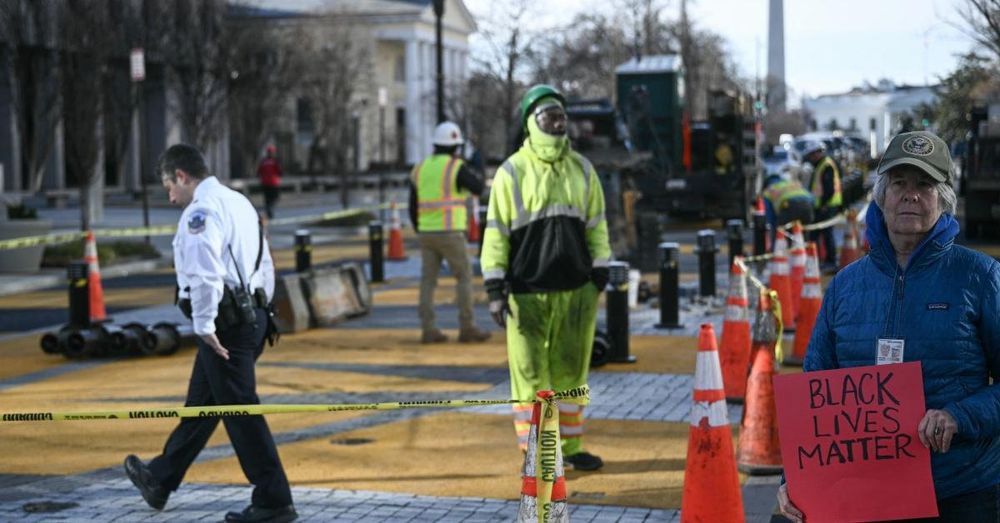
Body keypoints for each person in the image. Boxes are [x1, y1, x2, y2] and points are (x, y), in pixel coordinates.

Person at [777, 130, 1000, 523]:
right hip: (864, 491)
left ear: (944, 200)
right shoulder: (845, 286)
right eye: (899, 183)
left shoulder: (980, 277)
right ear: (881, 195)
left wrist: (959, 416)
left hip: (959, 491)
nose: (910, 194)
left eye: (924, 184)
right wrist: (793, 478)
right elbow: (812, 396)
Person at [124, 144, 297, 523]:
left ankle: (273, 500)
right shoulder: (239, 202)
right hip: (251, 317)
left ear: (183, 176)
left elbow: (205, 275)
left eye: (170, 185)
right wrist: (260, 312)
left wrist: (204, 327)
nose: (170, 195)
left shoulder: (200, 212)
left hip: (226, 326)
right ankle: (160, 478)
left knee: (240, 410)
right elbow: (264, 261)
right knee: (204, 404)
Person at [481, 84, 611, 471]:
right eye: (547, 117)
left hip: (576, 291)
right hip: (526, 294)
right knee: (530, 377)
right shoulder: (511, 172)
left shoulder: (582, 169)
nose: (556, 123)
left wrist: (601, 267)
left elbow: (597, 226)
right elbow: (496, 234)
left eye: (560, 116)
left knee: (572, 372)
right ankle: (537, 454)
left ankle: (571, 449)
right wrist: (494, 288)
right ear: (529, 124)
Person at [407, 121, 491, 344]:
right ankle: (467, 327)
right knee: (463, 278)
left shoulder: (420, 168)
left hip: (426, 233)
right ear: (456, 146)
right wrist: (478, 165)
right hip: (451, 232)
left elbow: (412, 205)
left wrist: (420, 228)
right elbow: (478, 187)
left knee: (428, 281)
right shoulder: (455, 167)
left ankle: (428, 329)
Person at [802, 140, 842, 269]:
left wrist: (824, 204)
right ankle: (818, 260)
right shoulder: (821, 165)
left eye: (811, 155)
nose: (810, 158)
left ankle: (830, 261)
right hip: (822, 205)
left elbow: (829, 188)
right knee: (819, 234)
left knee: (826, 234)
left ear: (817, 153)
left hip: (827, 206)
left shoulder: (826, 165)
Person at [761, 172, 814, 245]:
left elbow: (771, 217)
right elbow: (811, 198)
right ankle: (806, 253)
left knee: (782, 235)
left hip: (789, 207)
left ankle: (782, 253)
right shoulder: (792, 183)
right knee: (804, 235)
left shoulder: (769, 190)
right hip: (807, 206)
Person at [257, 144, 282, 220]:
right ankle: (270, 210)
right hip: (274, 183)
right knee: (274, 197)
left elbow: (259, 172)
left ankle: (269, 211)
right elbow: (280, 171)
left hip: (265, 183)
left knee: (267, 198)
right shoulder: (275, 161)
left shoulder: (263, 161)